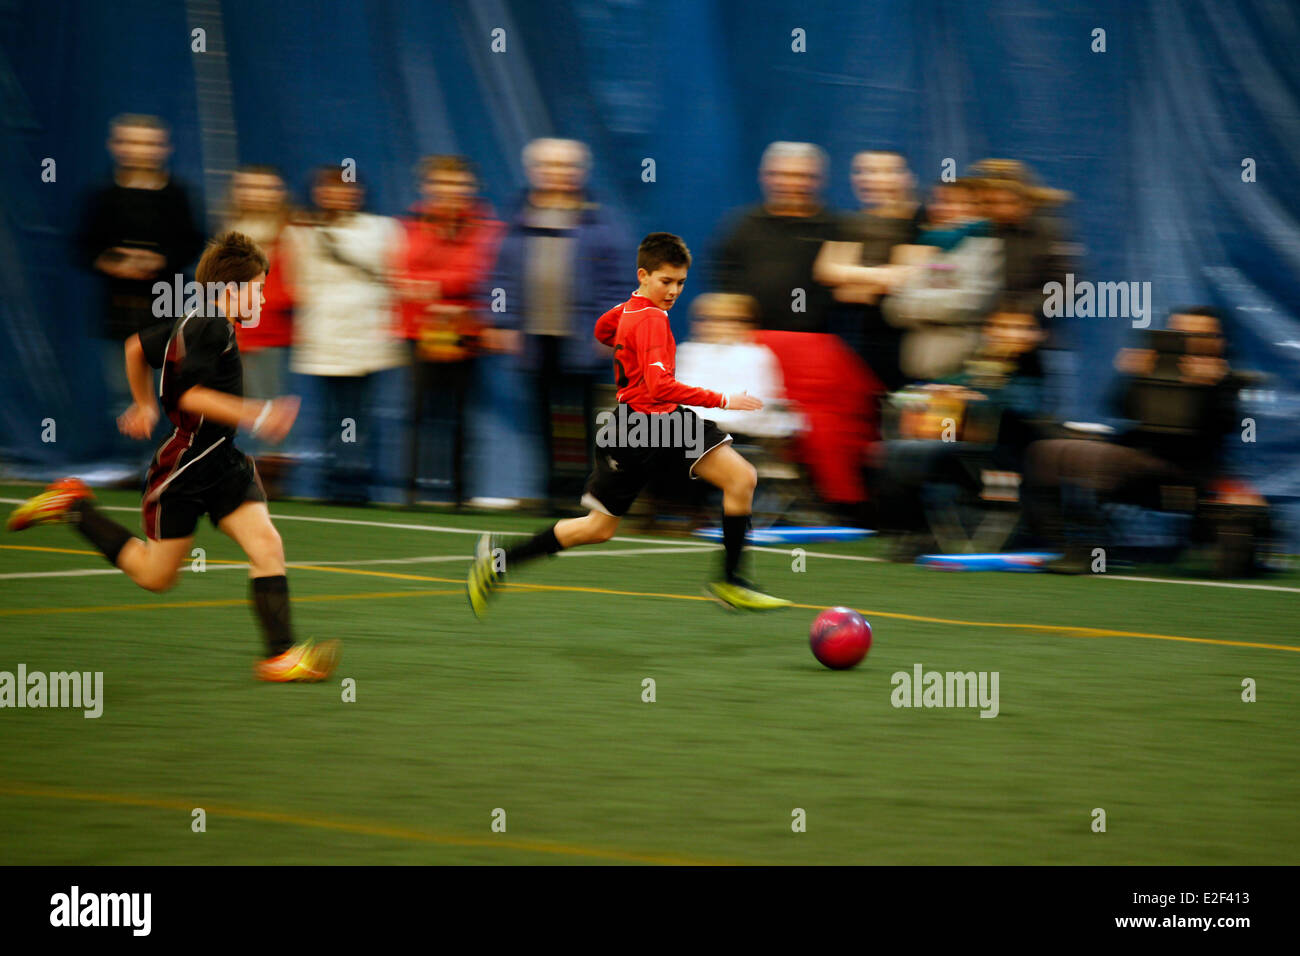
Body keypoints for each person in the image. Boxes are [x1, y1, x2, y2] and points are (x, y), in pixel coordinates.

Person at [6, 232, 339, 682]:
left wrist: (144, 405)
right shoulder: (212, 327)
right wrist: (256, 412)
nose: (261, 297)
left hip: (222, 460)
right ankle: (73, 507)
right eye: (258, 288)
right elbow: (190, 394)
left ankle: (280, 655)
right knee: (155, 576)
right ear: (230, 290)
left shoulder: (197, 321)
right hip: (186, 466)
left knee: (267, 544)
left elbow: (135, 348)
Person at [466, 233, 792, 615]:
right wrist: (723, 399)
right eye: (665, 281)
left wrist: (634, 330)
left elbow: (602, 331)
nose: (673, 291)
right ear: (644, 274)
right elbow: (660, 385)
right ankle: (730, 581)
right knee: (735, 482)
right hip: (657, 425)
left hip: (632, 427)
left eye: (681, 282)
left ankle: (500, 560)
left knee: (600, 528)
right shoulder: (653, 319)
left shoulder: (633, 308)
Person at [491, 138, 632, 509]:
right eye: (549, 167)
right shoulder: (517, 220)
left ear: (580, 173)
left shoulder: (602, 223)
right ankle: (550, 490)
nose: (558, 174)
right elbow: (500, 277)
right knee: (542, 416)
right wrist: (501, 323)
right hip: (535, 340)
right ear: (534, 172)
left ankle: (579, 490)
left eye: (566, 167)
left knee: (580, 417)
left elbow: (617, 283)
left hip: (583, 339)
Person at [76, 113, 205, 459]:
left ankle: (170, 461)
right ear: (115, 146)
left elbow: (192, 243)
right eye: (131, 142)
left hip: (166, 307)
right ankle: (134, 463)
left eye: (149, 143)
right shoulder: (103, 195)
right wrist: (112, 262)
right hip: (120, 310)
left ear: (164, 148)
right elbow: (83, 248)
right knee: (125, 390)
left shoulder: (177, 195)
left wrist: (158, 261)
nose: (140, 150)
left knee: (169, 390)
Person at [396, 155, 505, 506]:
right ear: (427, 187)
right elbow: (403, 267)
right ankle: (412, 489)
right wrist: (434, 288)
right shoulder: (410, 224)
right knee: (418, 410)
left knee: (459, 414)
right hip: (417, 330)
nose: (450, 191)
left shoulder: (488, 227)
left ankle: (458, 491)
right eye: (441, 184)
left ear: (472, 188)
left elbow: (481, 271)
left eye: (458, 184)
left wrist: (435, 287)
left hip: (464, 330)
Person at [814, 149, 921, 391]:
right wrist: (884, 275)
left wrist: (854, 274)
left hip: (911, 343)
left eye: (883, 172)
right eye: (863, 172)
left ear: (906, 178)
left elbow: (909, 278)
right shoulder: (851, 223)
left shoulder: (921, 220)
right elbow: (830, 275)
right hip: (861, 339)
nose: (870, 179)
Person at [712, 141, 842, 334]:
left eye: (799, 176)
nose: (789, 183)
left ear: (818, 180)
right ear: (764, 178)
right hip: (750, 337)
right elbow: (724, 275)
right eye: (780, 175)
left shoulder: (834, 229)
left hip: (811, 338)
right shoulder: (743, 225)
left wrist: (803, 318)